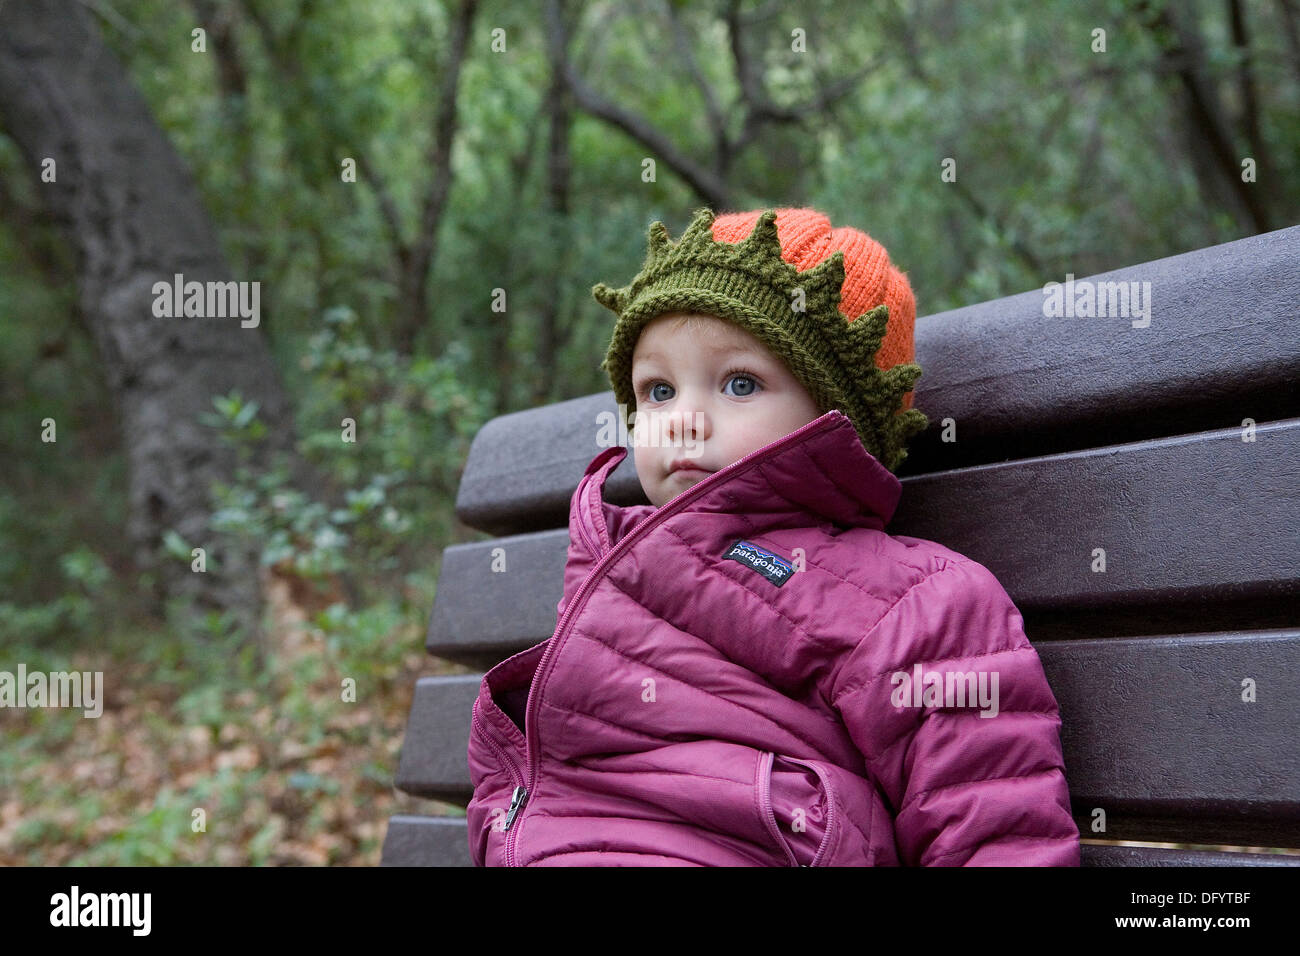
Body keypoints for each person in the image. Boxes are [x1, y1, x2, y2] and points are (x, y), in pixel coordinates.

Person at [465, 206, 1081, 866]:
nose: (683, 421)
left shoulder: (919, 603)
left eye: (739, 383)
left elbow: (993, 827)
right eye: (658, 390)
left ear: (836, 414)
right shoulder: (612, 558)